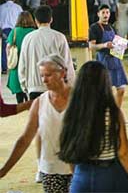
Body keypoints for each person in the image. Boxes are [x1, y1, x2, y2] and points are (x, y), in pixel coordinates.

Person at [58, 61, 128, 192]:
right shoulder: (112, 112)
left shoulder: (72, 111)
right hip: (109, 176)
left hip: (81, 175)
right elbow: (123, 152)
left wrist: (77, 176)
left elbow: (68, 148)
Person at [0, 55, 73, 192]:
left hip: (78, 168)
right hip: (51, 170)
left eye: (49, 75)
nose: (44, 80)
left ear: (62, 73)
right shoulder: (40, 102)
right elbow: (25, 139)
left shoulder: (79, 98)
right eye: (42, 76)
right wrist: (5, 169)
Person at [18, 6, 75, 99]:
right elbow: (67, 64)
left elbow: (22, 65)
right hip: (56, 87)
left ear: (36, 20)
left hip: (34, 88)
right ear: (51, 19)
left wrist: (25, 85)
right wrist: (69, 84)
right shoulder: (59, 37)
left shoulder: (28, 38)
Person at [88, 5, 128, 107]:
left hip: (116, 60)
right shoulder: (94, 28)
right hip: (103, 61)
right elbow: (91, 46)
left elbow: (115, 41)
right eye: (103, 13)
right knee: (105, 91)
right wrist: (104, 45)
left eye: (107, 12)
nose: (106, 15)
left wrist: (122, 46)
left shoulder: (111, 27)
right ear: (98, 14)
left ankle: (116, 112)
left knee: (121, 89)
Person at [6, 11, 36, 103]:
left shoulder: (14, 31)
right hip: (30, 62)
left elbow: (8, 47)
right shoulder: (34, 32)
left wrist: (9, 59)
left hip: (17, 62)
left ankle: (20, 104)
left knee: (18, 87)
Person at [0, 0, 22, 72]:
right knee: (16, 48)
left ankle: (4, 68)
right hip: (15, 29)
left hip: (4, 30)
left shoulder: (1, 7)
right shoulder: (18, 7)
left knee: (4, 48)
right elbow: (21, 18)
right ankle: (16, 66)